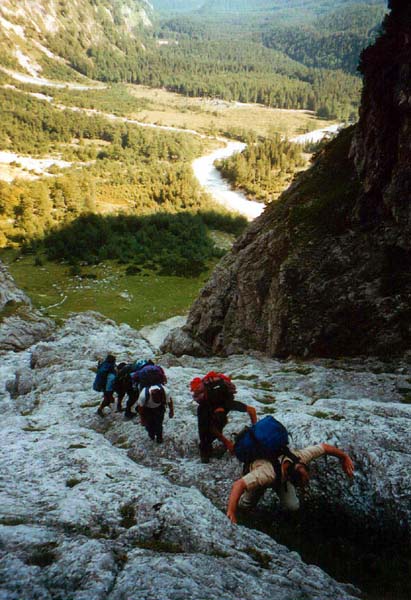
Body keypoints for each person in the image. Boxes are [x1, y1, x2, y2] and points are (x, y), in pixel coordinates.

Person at [226, 441, 354, 524]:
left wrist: (344, 457)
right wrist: (231, 511)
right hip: (264, 472)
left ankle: (289, 520)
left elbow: (324, 447)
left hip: (281, 477)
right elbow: (238, 485)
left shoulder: (300, 457)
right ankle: (243, 513)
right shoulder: (267, 474)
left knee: (293, 506)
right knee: (246, 505)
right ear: (290, 479)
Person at [190, 372, 257, 463]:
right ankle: (207, 452)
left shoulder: (228, 402)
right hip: (205, 414)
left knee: (215, 435)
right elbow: (211, 428)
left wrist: (255, 429)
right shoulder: (204, 408)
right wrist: (227, 443)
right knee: (204, 438)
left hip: (217, 411)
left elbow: (252, 410)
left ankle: (217, 447)